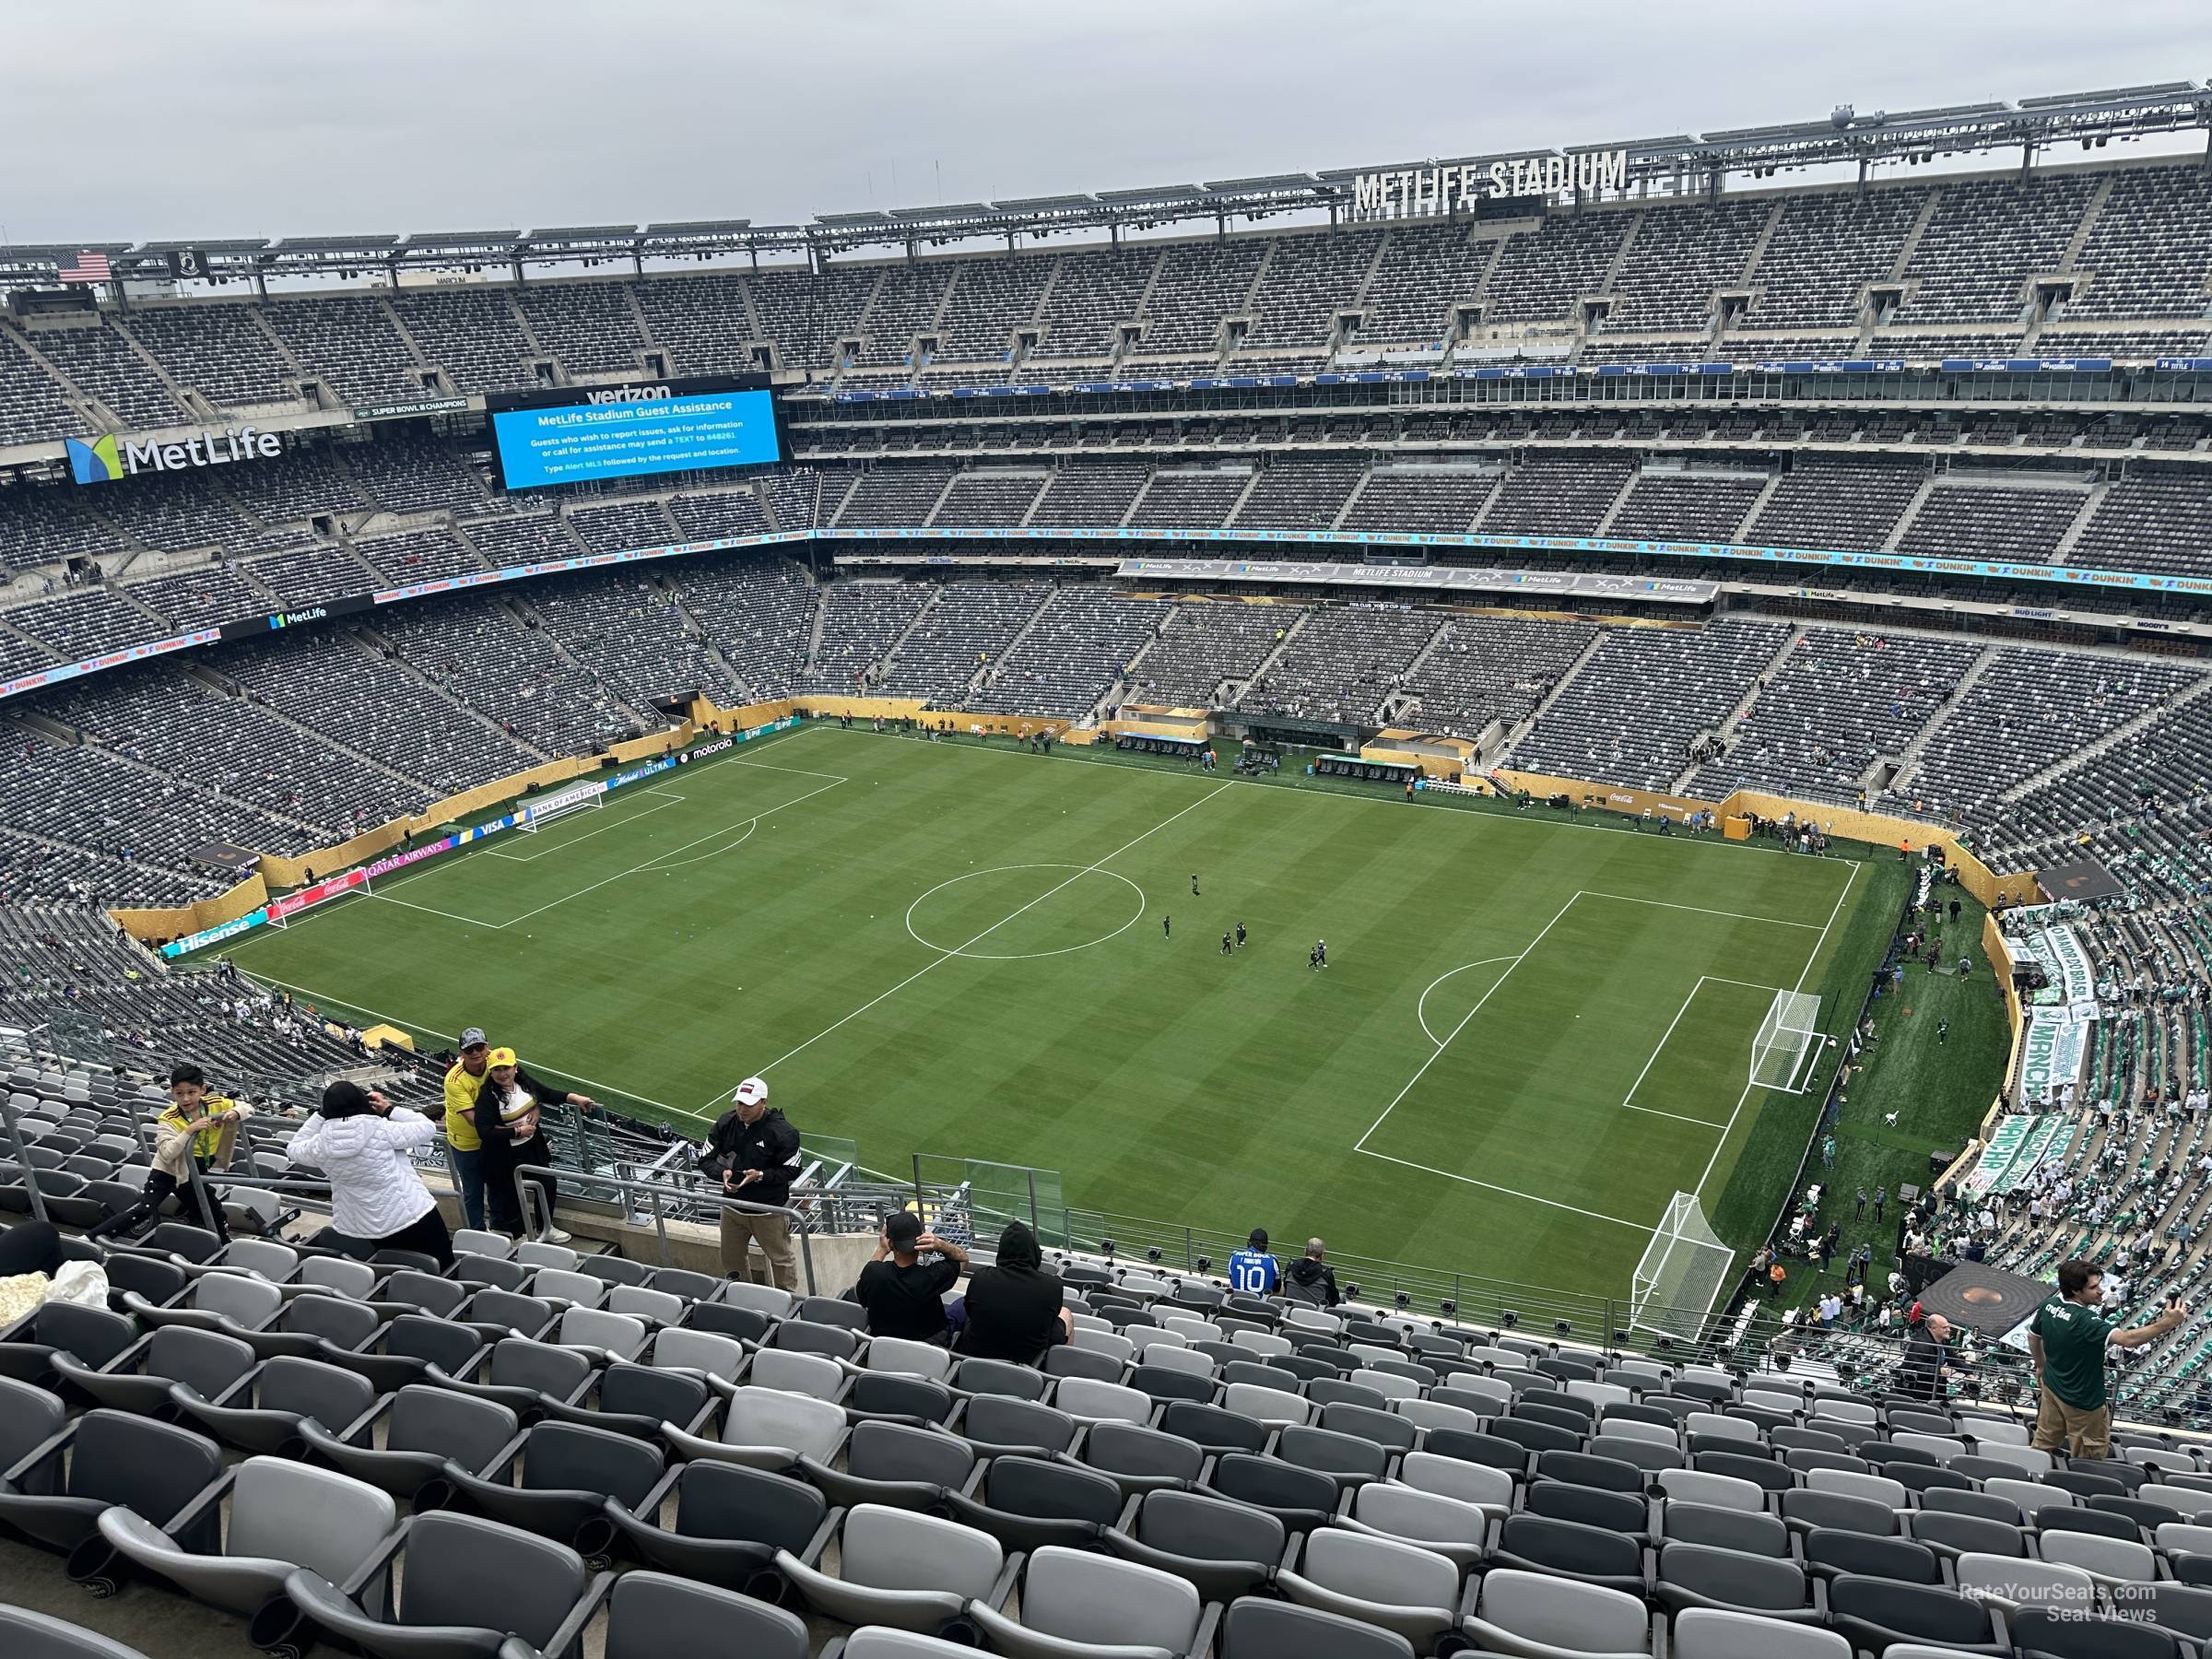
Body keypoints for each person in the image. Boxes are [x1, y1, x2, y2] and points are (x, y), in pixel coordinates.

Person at [2028, 1259, 2187, 1459]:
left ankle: (2037, 1473)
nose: (2101, 1291)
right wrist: (2168, 1322)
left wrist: (2041, 1366)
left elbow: (2033, 1337)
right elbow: (2128, 1340)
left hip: (2052, 1388)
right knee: (2089, 1456)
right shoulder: (2086, 1321)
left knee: (2044, 1442)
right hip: (2084, 1402)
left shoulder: (2049, 1305)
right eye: (2093, 1287)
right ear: (2075, 1291)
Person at [286, 1079, 453, 1268]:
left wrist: (320, 1115)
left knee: (400, 1267)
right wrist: (389, 1109)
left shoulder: (320, 1144)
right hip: (410, 1212)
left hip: (368, 1224)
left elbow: (293, 1148)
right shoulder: (381, 1129)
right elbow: (427, 1127)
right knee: (443, 1264)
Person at [94, 1063, 242, 1243]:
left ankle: (223, 1244)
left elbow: (245, 1107)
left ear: (203, 1090)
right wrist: (190, 1130)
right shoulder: (168, 1117)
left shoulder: (217, 1103)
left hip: (194, 1171)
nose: (186, 1098)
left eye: (192, 1092)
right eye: (179, 1093)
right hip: (168, 1171)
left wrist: (236, 1112)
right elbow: (168, 1153)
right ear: (173, 1092)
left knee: (213, 1210)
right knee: (144, 1210)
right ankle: (90, 1237)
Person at [479, 1047, 594, 1244]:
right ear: (491, 1073)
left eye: (506, 1068)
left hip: (531, 1149)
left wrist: (575, 1098)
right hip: (504, 1156)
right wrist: (517, 1131)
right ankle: (518, 1236)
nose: (502, 1074)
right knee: (511, 1196)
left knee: (548, 1184)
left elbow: (547, 1093)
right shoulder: (488, 1096)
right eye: (497, 1070)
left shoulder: (524, 1083)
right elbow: (484, 1131)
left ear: (515, 1067)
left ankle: (545, 1228)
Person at [703, 1077, 803, 1290]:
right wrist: (722, 1174)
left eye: (748, 1104)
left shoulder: (784, 1132)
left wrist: (760, 1175)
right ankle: (739, 1293)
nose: (742, 1109)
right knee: (731, 1258)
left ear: (763, 1102)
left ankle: (788, 1299)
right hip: (732, 1207)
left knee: (781, 1259)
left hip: (768, 1211)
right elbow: (705, 1159)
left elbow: (792, 1170)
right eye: (739, 1103)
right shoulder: (725, 1122)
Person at [957, 1219, 1073, 1362]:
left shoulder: (980, 1277)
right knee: (1066, 1313)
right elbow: (1051, 1320)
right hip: (1027, 1363)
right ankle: (1059, 1368)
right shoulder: (1052, 1285)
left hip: (974, 1359)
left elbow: (969, 1312)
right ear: (1034, 1251)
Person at [854, 1209, 966, 1343]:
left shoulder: (873, 1272)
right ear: (920, 1240)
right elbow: (963, 1259)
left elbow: (859, 1290)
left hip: (883, 1345)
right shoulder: (932, 1276)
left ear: (890, 1243)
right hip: (927, 1346)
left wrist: (882, 1249)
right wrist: (940, 1245)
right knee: (963, 1302)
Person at [441, 1028, 496, 1231]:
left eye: (479, 1047)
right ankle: (477, 1231)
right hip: (467, 1143)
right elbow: (473, 1120)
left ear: (487, 1047)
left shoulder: (496, 1062)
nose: (475, 1053)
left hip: (492, 1138)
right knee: (473, 1190)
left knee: (497, 1184)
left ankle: (499, 1226)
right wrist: (512, 1129)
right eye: (469, 1050)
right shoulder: (454, 1080)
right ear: (461, 1053)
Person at [1899, 1312, 1955, 1401]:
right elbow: (1915, 1366)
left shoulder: (1942, 1340)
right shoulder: (1920, 1344)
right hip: (1917, 1391)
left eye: (1948, 1327)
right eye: (1944, 1327)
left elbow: (1953, 1358)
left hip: (1934, 1388)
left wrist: (1969, 1373)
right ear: (1934, 1328)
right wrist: (1938, 1370)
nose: (1948, 1329)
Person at [1282, 1238, 1341, 1308]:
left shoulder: (1291, 1266)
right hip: (1314, 1313)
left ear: (1305, 1251)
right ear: (1322, 1255)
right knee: (1341, 1298)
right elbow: (1334, 1300)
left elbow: (1285, 1288)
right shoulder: (1326, 1273)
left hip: (1290, 1310)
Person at [1228, 1228, 1279, 1295]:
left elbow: (1232, 1280)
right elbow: (1277, 1288)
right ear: (1265, 1247)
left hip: (1237, 1299)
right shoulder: (1272, 1260)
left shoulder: (1234, 1256)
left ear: (1249, 1243)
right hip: (1261, 1301)